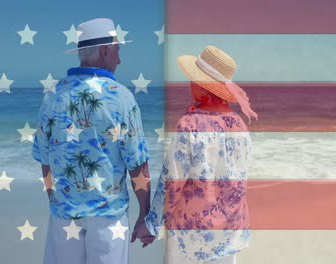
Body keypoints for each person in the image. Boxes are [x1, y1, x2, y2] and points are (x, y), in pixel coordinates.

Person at [31, 18, 155, 264]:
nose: (119, 60)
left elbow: (45, 160)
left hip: (63, 215)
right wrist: (145, 214)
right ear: (105, 50)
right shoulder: (121, 97)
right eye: (117, 51)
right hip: (108, 216)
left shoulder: (53, 94)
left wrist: (56, 203)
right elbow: (137, 164)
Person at [144, 46, 258, 263]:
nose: (190, 84)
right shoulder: (240, 124)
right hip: (231, 229)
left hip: (191, 234)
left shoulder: (191, 124)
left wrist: (152, 222)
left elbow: (172, 180)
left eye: (193, 80)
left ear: (201, 86)